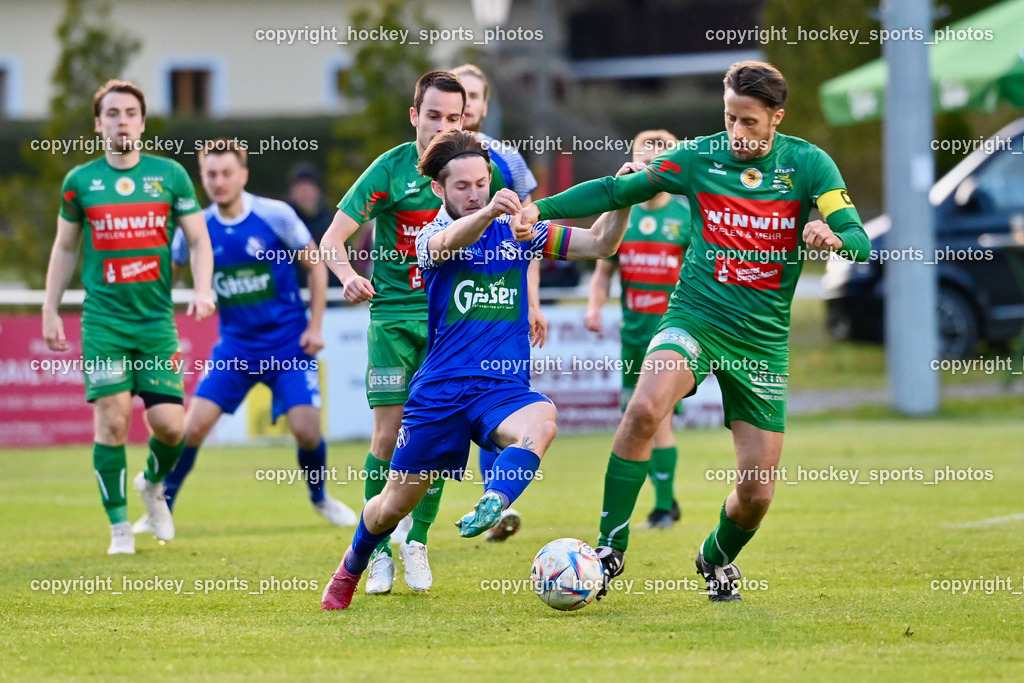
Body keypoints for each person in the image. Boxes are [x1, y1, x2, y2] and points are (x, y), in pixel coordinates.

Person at [514, 61, 870, 601]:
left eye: (749, 121)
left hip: (761, 344)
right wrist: (539, 209)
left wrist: (832, 236)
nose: (737, 132)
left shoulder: (808, 164)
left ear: (777, 117)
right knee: (643, 410)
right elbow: (616, 190)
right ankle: (609, 549)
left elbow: (859, 239)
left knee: (757, 494)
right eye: (729, 118)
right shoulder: (698, 156)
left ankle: (715, 557)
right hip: (695, 318)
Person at [321, 129, 637, 610]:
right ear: (438, 189)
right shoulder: (430, 236)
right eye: (463, 186)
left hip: (500, 389)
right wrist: (489, 213)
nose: (474, 193)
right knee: (390, 507)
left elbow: (599, 243)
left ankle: (496, 499)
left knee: (543, 420)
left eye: (482, 184)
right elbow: (450, 241)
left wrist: (623, 199)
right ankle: (352, 565)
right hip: (441, 392)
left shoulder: (521, 232)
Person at [320, 71, 541, 595]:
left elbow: (526, 232)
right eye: (434, 115)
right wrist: (348, 276)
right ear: (414, 115)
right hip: (394, 317)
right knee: (387, 435)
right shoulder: (390, 169)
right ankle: (378, 551)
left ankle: (416, 541)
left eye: (454, 117)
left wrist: (529, 297)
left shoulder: (482, 169)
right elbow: (332, 240)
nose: (443, 125)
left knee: (446, 436)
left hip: (454, 322)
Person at [133, 139, 357, 534]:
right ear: (202, 178)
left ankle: (320, 496)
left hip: (288, 344)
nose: (218, 182)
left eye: (226, 173)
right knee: (191, 428)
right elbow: (166, 281)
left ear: (243, 175)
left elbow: (316, 266)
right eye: (211, 174)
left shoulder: (276, 216)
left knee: (307, 431)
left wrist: (315, 326)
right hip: (235, 348)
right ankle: (162, 506)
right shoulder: (196, 228)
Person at [42, 79, 215, 555]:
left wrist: (202, 288)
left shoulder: (170, 176)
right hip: (104, 322)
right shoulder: (80, 182)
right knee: (113, 420)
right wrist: (50, 308)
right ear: (99, 124)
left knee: (172, 428)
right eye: (113, 114)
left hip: (155, 323)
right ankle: (119, 526)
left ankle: (152, 484)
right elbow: (65, 247)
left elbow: (198, 240)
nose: (122, 121)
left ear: (142, 123)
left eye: (131, 113)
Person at [451, 63, 546, 541]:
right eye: (458, 95)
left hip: (494, 300)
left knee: (500, 396)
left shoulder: (507, 158)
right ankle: (401, 522)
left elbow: (530, 231)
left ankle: (495, 498)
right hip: (439, 301)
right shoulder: (427, 159)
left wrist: (532, 301)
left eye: (473, 96)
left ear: (485, 105)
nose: (466, 105)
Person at [584, 129, 692, 530]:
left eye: (658, 165)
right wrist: (595, 307)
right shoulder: (622, 215)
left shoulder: (685, 217)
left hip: (672, 334)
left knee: (656, 418)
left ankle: (663, 508)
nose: (649, 172)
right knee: (635, 417)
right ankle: (667, 502)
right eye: (643, 164)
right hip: (632, 335)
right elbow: (602, 273)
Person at [285, 163, 343, 291]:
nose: (305, 192)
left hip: (332, 295)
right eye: (300, 187)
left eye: (309, 186)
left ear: (318, 191)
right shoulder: (283, 223)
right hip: (293, 295)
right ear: (292, 191)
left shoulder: (331, 221)